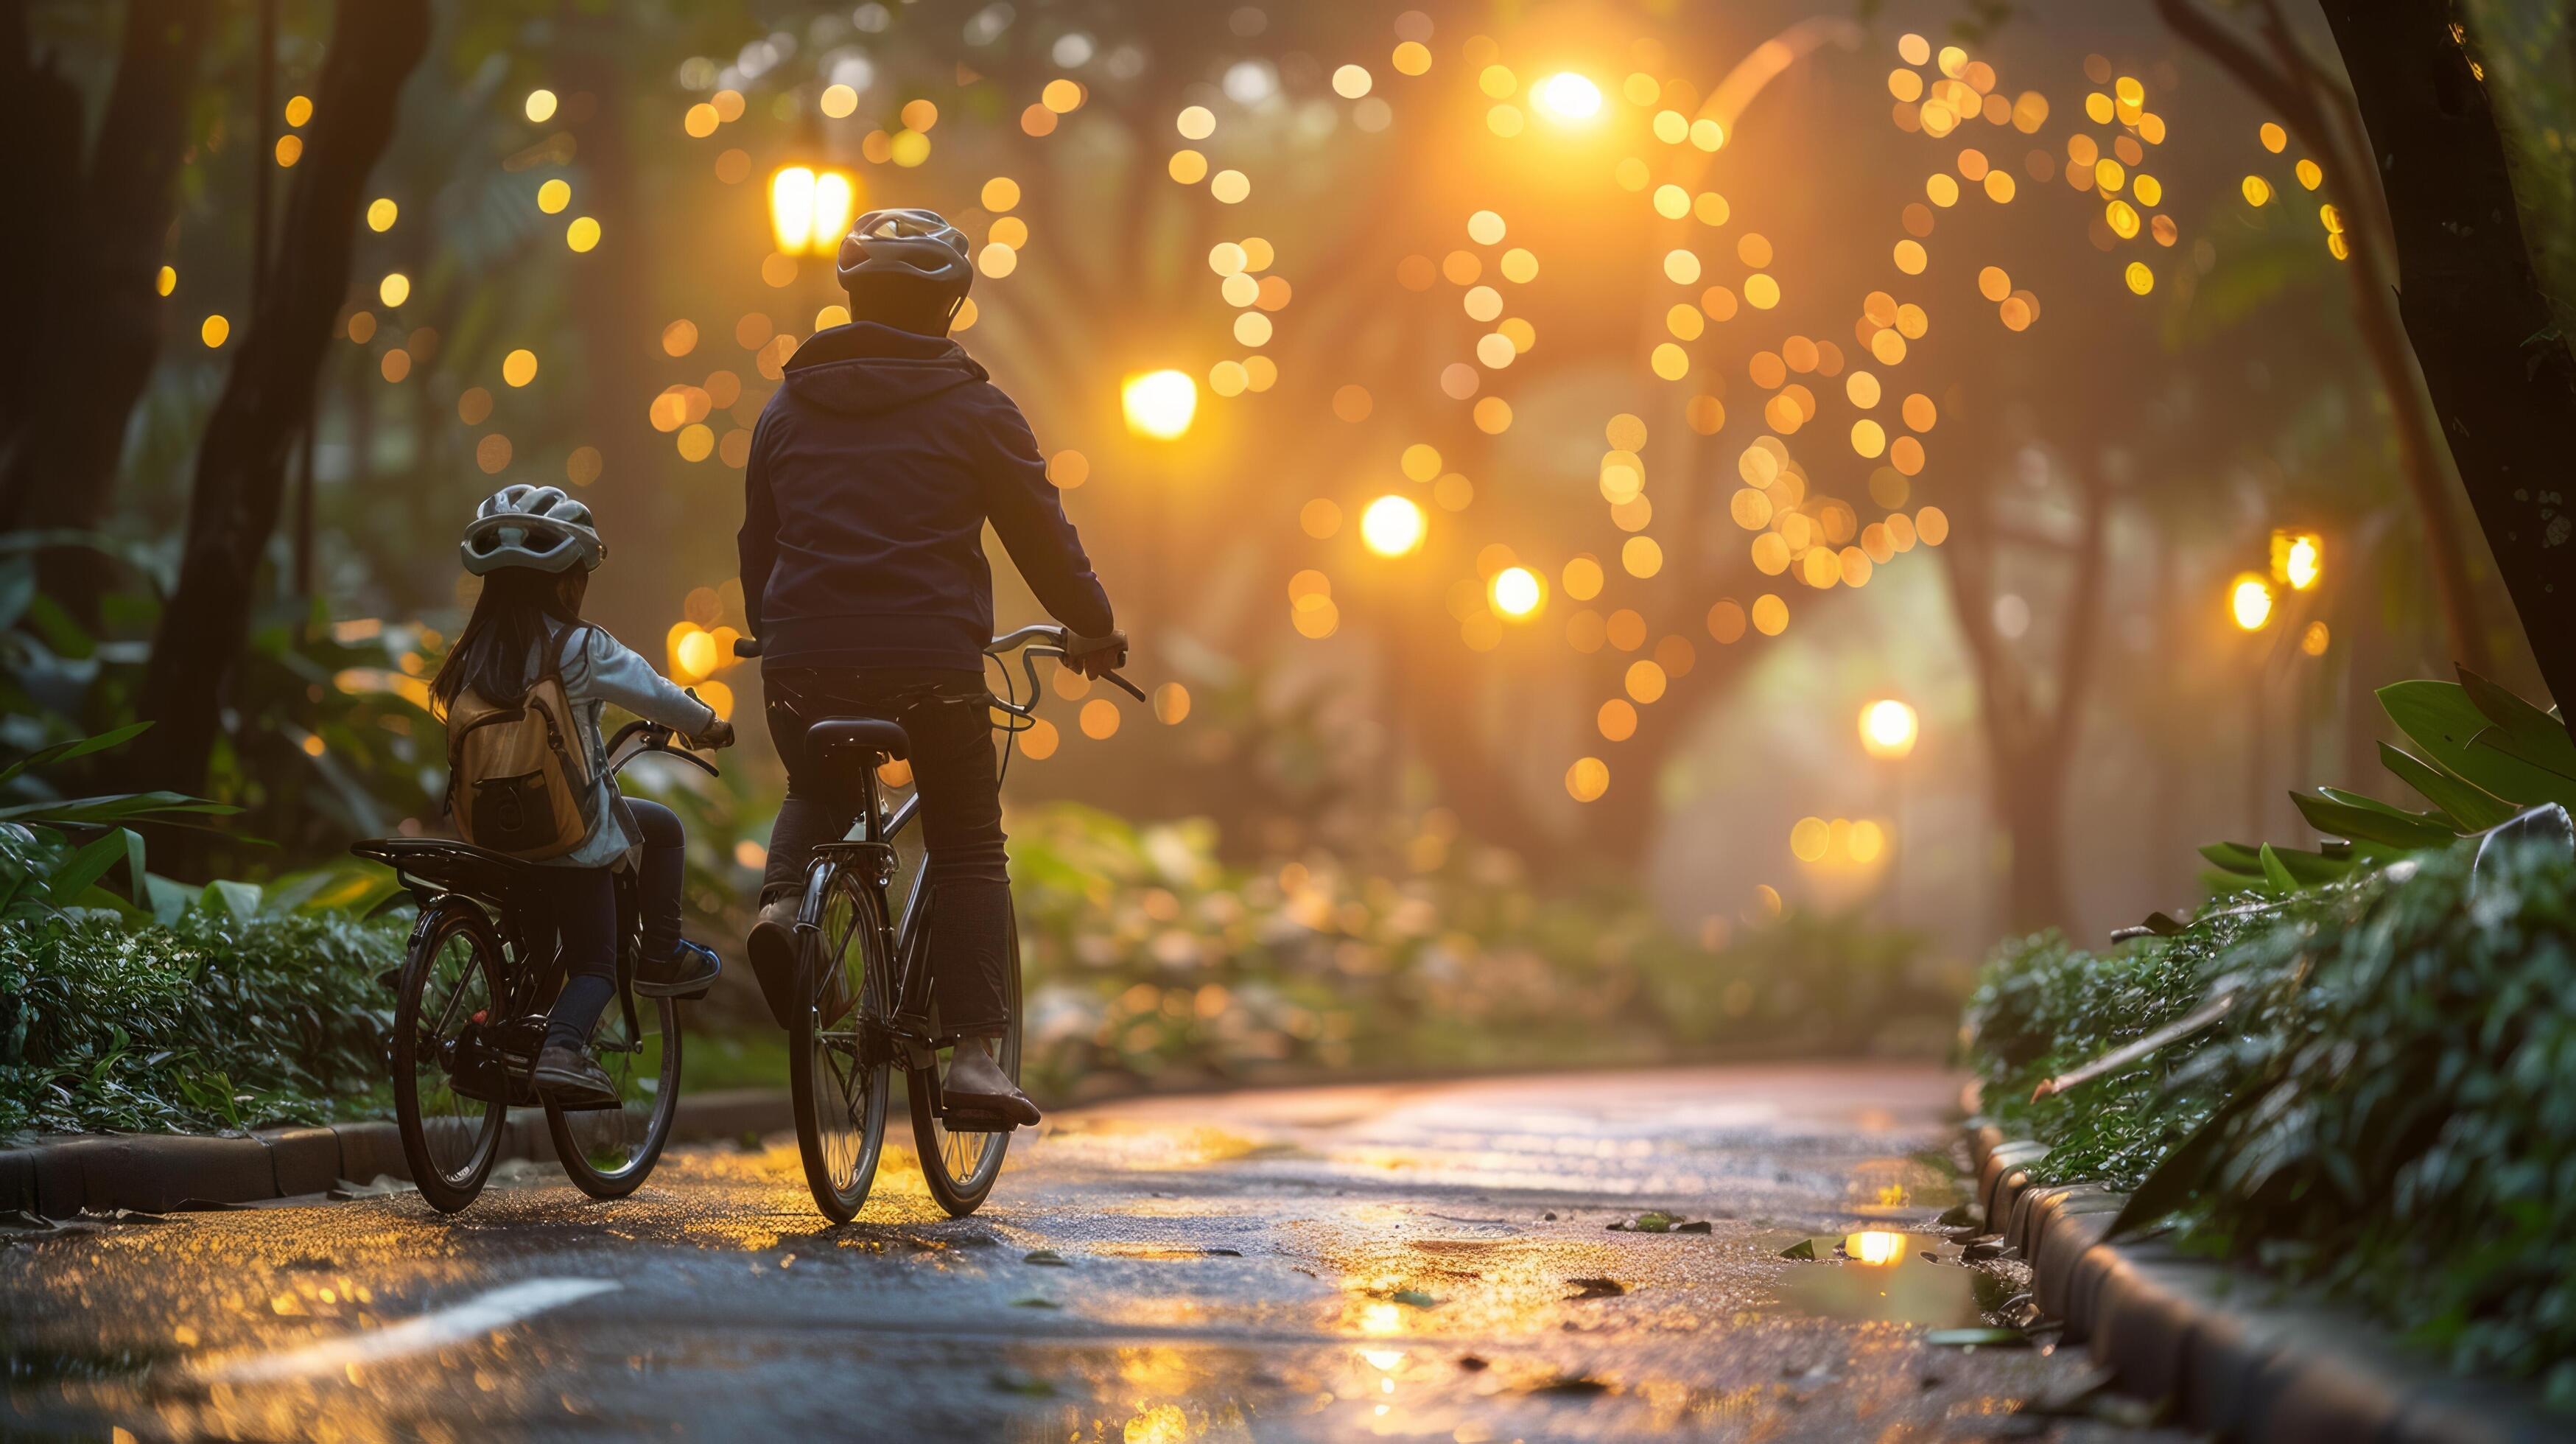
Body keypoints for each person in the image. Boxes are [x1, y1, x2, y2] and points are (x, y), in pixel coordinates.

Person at [737, 208, 1119, 1126]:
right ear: (948, 304)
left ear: (852, 295)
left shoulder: (783, 408)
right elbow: (1041, 534)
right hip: (930, 665)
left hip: (802, 661)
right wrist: (1092, 626)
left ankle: (785, 909)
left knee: (816, 785)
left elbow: (760, 540)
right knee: (965, 845)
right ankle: (978, 1058)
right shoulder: (976, 407)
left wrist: (776, 632)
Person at [432, 485, 736, 1105]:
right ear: (566, 584)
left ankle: (499, 1038)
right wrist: (707, 724)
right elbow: (653, 691)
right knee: (599, 956)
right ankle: (629, 983)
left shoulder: (470, 657)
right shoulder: (578, 647)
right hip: (569, 837)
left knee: (539, 949)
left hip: (494, 839)